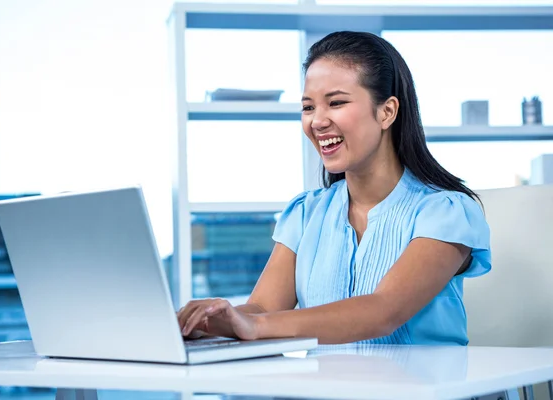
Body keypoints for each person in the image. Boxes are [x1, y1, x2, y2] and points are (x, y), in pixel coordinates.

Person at [177, 31, 491, 345]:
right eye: (308, 107)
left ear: (387, 112)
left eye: (336, 103)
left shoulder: (445, 212)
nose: (317, 121)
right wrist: (209, 320)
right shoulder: (305, 213)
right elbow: (262, 309)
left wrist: (255, 325)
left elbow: (383, 312)